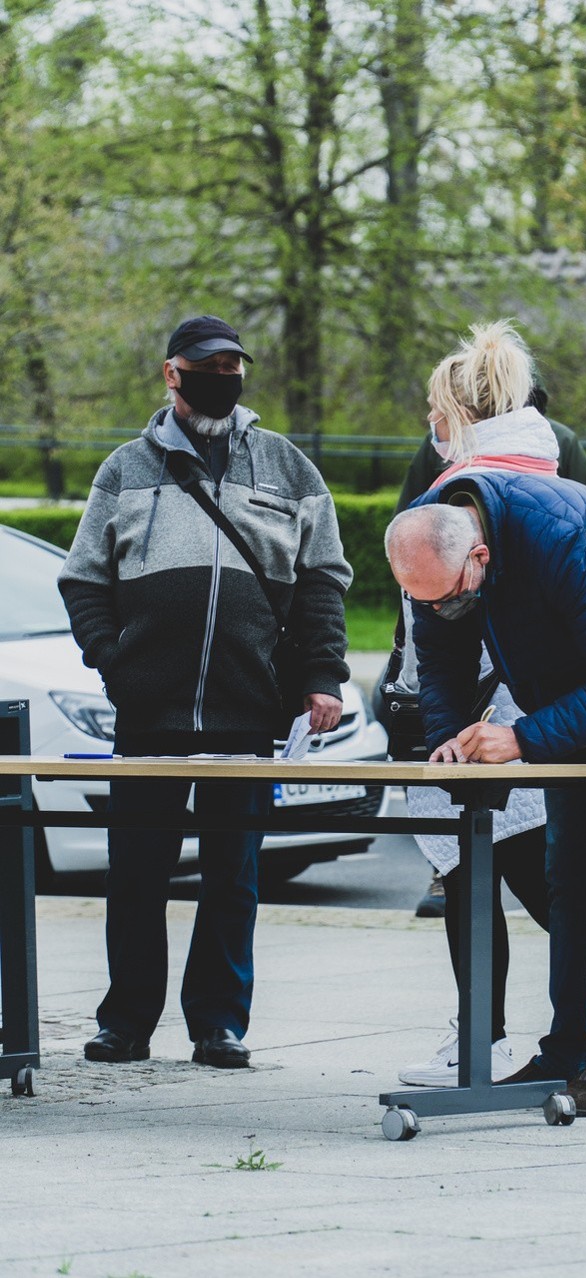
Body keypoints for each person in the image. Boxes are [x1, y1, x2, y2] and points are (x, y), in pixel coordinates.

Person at [390, 320, 586, 1101]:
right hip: (571, 677)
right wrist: (449, 746)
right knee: (569, 873)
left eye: (455, 594)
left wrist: (523, 739)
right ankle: (565, 1050)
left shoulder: (557, 525)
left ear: (481, 559)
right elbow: (445, 667)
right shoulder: (437, 543)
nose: (444, 609)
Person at [59, 314, 351, 1069]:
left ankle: (219, 1022)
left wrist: (321, 676)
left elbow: (323, 581)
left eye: (234, 363)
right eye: (208, 363)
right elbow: (84, 579)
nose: (225, 374)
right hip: (148, 712)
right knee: (136, 876)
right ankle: (125, 1022)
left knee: (234, 876)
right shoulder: (124, 469)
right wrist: (114, 663)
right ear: (172, 374)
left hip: (248, 707)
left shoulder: (288, 468)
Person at [397, 358, 586, 923]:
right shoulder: (550, 451)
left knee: (519, 870)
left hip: (514, 689)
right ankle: (501, 1014)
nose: (429, 420)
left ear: (461, 412)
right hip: (493, 684)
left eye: (437, 409)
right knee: (497, 872)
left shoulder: (460, 470)